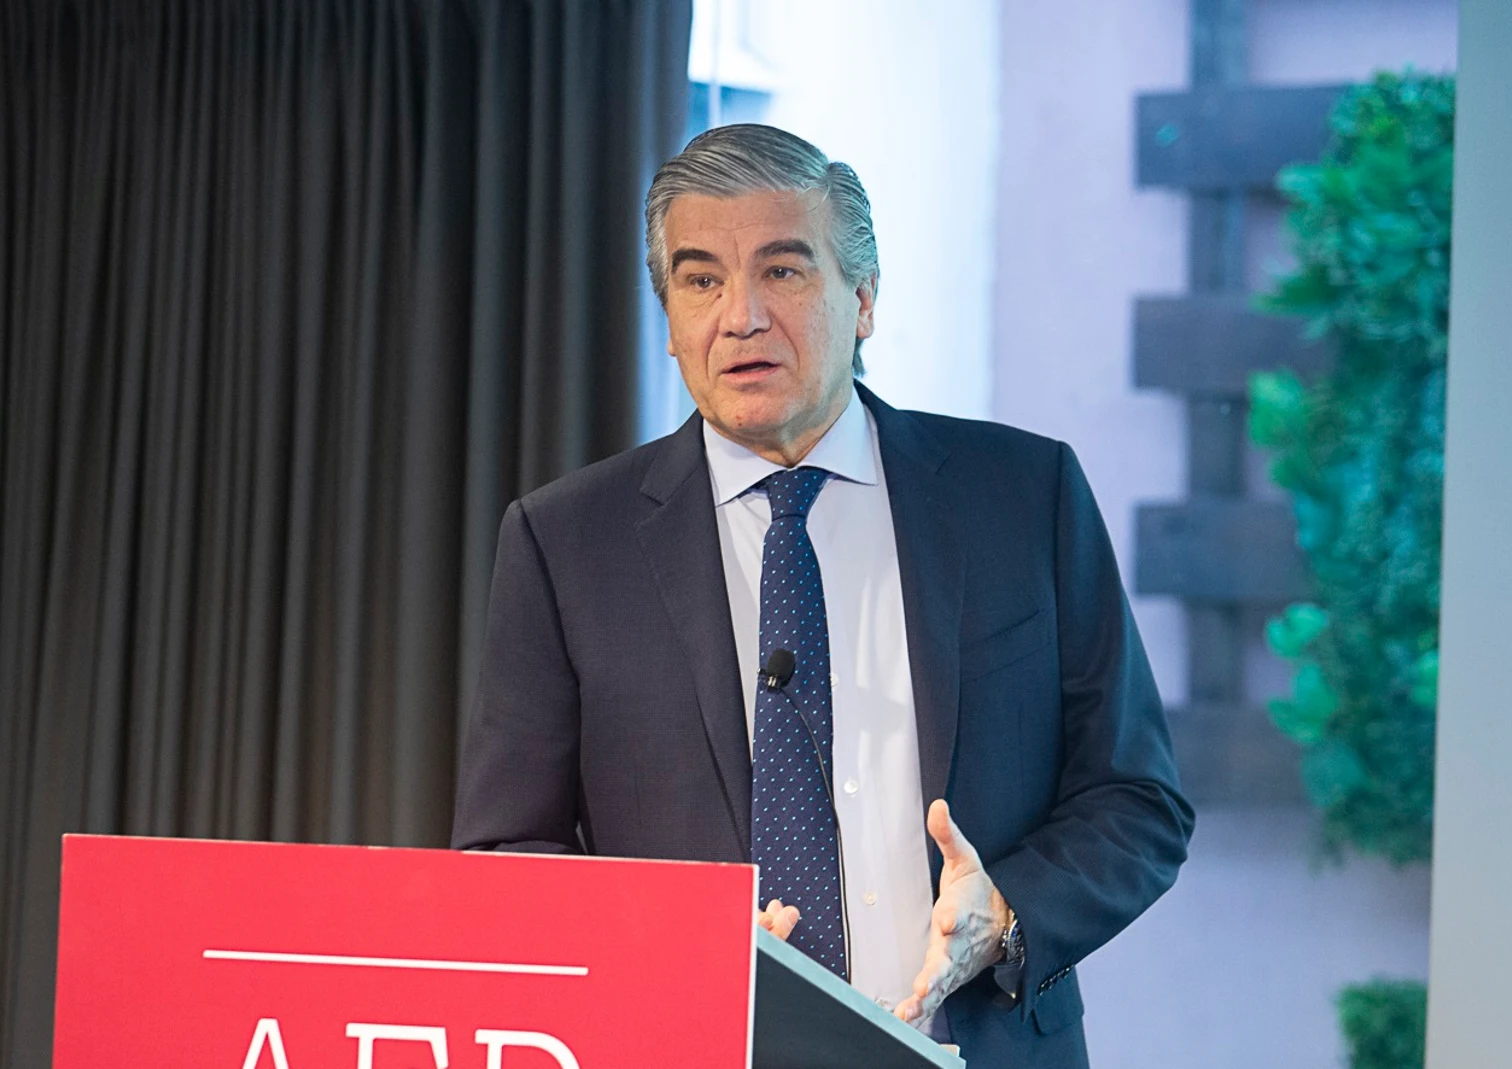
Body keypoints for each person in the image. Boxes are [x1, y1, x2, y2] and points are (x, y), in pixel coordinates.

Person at [450, 123, 1192, 1067]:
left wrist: (1006, 910)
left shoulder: (1022, 496)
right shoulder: (566, 542)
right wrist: (671, 950)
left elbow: (1137, 798)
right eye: (700, 279)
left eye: (784, 271)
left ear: (865, 299)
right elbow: (508, 860)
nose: (741, 316)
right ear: (671, 319)